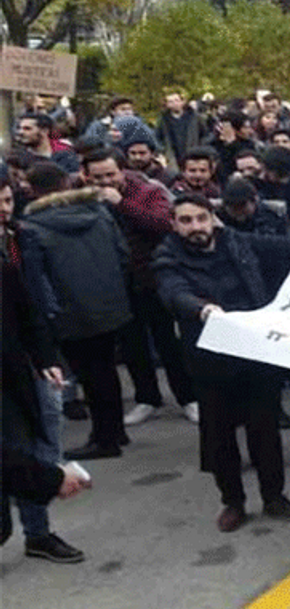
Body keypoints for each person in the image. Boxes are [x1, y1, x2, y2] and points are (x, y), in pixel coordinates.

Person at [151, 193, 290, 532]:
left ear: (213, 218)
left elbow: (287, 247)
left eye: (201, 218)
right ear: (174, 224)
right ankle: (233, 502)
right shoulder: (167, 256)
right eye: (186, 221)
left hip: (255, 354)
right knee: (220, 438)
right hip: (211, 362)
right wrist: (202, 309)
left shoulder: (238, 242)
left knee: (265, 432)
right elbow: (172, 292)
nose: (195, 227)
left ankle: (274, 497)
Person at [19, 162, 134, 461]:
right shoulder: (99, 212)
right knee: (106, 369)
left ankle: (105, 438)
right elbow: (123, 254)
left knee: (89, 374)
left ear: (32, 190)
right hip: (110, 303)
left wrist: (47, 314)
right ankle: (114, 430)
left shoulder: (31, 227)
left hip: (69, 311)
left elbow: (37, 279)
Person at [80, 148, 199, 427]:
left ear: (121, 171)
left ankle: (187, 397)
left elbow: (161, 224)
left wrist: (121, 204)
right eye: (97, 177)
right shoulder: (81, 195)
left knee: (168, 342)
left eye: (110, 174)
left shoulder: (148, 190)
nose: (105, 182)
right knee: (132, 345)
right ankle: (147, 398)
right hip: (114, 282)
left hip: (152, 278)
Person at [1, 176, 85, 562]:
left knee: (32, 445)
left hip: (17, 375)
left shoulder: (16, 244)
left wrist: (46, 359)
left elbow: (28, 313)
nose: (3, 209)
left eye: (5, 200)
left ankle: (38, 533)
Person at [155, 91, 204, 160]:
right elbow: (157, 137)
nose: (175, 104)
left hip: (193, 154)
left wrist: (200, 148)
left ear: (182, 102)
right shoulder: (163, 120)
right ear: (167, 104)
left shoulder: (194, 117)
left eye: (177, 100)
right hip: (172, 156)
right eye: (171, 102)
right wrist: (163, 150)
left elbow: (205, 134)